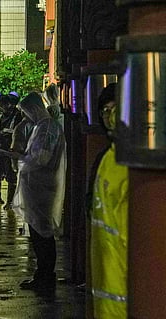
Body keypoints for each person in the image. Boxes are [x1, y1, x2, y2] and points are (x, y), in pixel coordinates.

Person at [7, 92, 66, 290]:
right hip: (37, 185)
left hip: (41, 186)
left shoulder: (47, 127)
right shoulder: (43, 126)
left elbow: (41, 158)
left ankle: (45, 275)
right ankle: (42, 274)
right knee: (38, 232)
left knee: (42, 234)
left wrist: (20, 156)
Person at [89, 83, 128, 318]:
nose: (110, 117)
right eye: (105, 111)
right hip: (109, 303)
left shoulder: (128, 166)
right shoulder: (107, 160)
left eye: (115, 110)